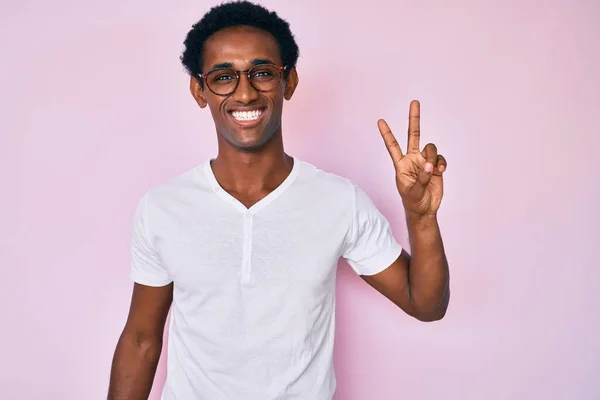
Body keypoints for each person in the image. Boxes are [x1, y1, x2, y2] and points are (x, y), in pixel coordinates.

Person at [107, 1, 450, 399]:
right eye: (223, 77)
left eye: (263, 73)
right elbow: (140, 340)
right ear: (199, 91)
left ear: (289, 82)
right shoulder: (163, 207)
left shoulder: (340, 201)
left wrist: (421, 218)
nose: (246, 92)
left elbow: (426, 304)